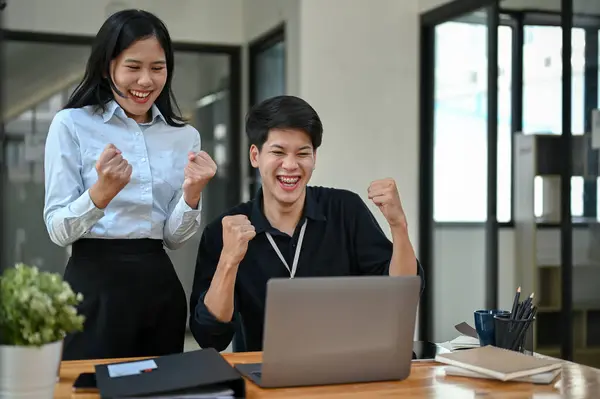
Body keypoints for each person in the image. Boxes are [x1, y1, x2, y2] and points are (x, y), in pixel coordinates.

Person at [43, 9, 217, 360]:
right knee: (89, 387)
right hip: (92, 286)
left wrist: (192, 195)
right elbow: (58, 230)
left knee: (162, 388)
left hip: (158, 285)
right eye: (133, 67)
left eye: (157, 68)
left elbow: (172, 238)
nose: (146, 81)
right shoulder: (71, 124)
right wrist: (101, 194)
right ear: (109, 66)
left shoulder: (184, 137)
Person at [189, 95, 424, 352]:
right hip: (263, 374)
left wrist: (398, 225)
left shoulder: (345, 209)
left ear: (314, 157)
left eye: (303, 153)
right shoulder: (223, 231)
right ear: (255, 156)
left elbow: (399, 296)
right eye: (278, 152)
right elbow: (210, 337)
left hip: (348, 367)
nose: (290, 165)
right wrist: (229, 260)